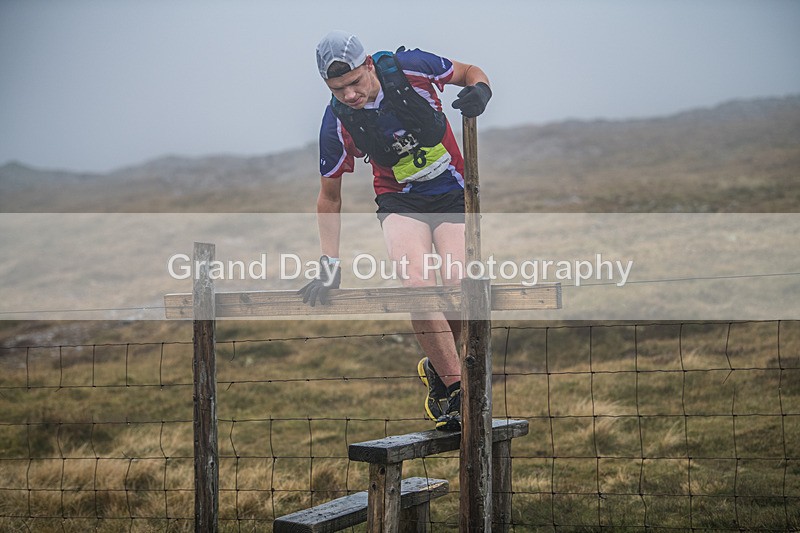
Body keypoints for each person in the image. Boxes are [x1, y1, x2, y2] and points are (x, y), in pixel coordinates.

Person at [299, 30, 492, 431]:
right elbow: (329, 198)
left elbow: (469, 71)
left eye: (354, 83)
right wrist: (328, 264)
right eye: (338, 89)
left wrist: (481, 92)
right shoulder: (336, 122)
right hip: (400, 201)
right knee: (417, 285)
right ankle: (457, 392)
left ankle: (437, 367)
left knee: (459, 286)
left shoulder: (412, 68)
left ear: (369, 64)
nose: (350, 95)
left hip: (454, 193)